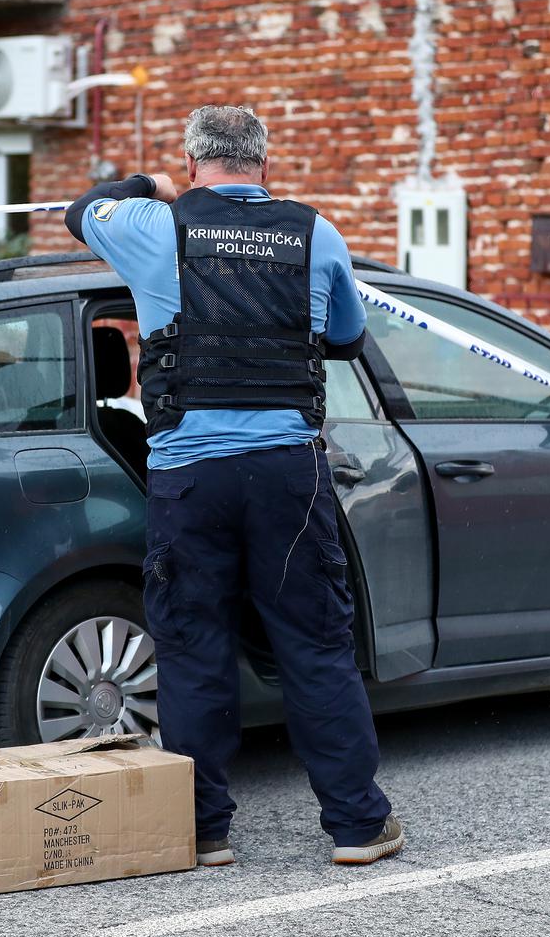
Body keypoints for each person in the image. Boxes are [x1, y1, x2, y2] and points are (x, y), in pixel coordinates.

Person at [64, 105, 403, 867]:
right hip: (288, 474)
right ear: (264, 163)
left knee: (193, 646)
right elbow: (346, 339)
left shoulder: (156, 227)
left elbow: (80, 210)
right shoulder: (317, 232)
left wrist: (143, 184)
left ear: (191, 165)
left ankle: (204, 830)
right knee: (315, 644)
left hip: (189, 478)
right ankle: (355, 826)